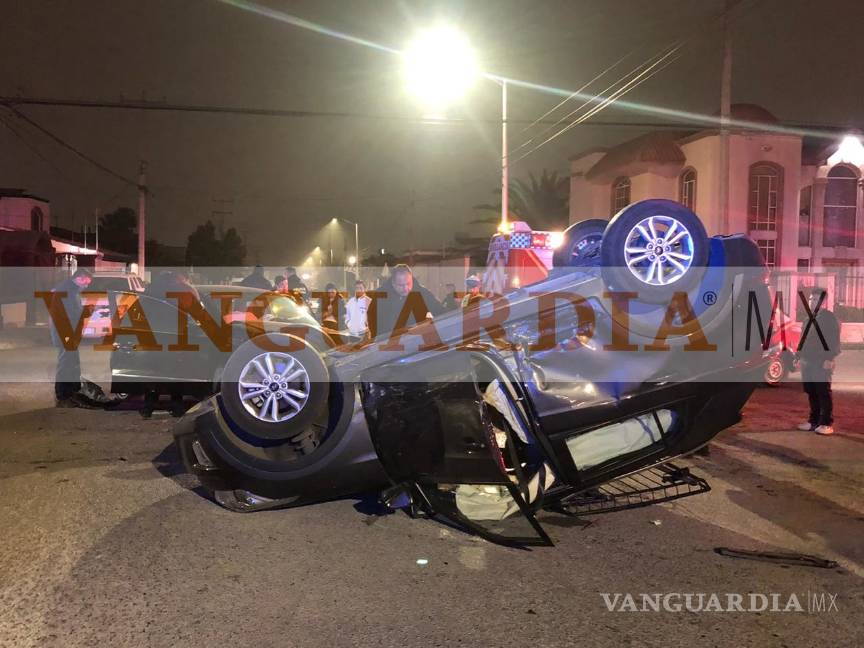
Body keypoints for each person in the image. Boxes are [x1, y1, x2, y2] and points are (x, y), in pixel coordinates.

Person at [796, 287, 841, 435]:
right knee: (811, 391)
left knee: (823, 392)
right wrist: (798, 356)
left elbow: (834, 340)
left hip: (821, 361)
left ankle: (826, 423)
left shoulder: (829, 318)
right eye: (811, 299)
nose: (812, 302)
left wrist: (829, 358)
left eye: (816, 299)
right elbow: (803, 339)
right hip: (807, 361)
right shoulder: (807, 319)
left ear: (823, 301)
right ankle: (813, 421)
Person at [49, 268, 92, 407]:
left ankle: (73, 392)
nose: (87, 286)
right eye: (86, 282)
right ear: (79, 278)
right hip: (65, 334)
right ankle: (63, 396)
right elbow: (72, 314)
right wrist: (88, 310)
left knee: (72, 363)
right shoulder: (67, 291)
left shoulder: (70, 290)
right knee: (66, 364)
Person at [373, 264, 443, 339]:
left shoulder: (423, 293)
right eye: (401, 285)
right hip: (389, 341)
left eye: (408, 284)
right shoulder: (380, 296)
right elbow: (375, 325)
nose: (406, 288)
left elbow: (441, 312)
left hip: (416, 340)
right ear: (393, 283)